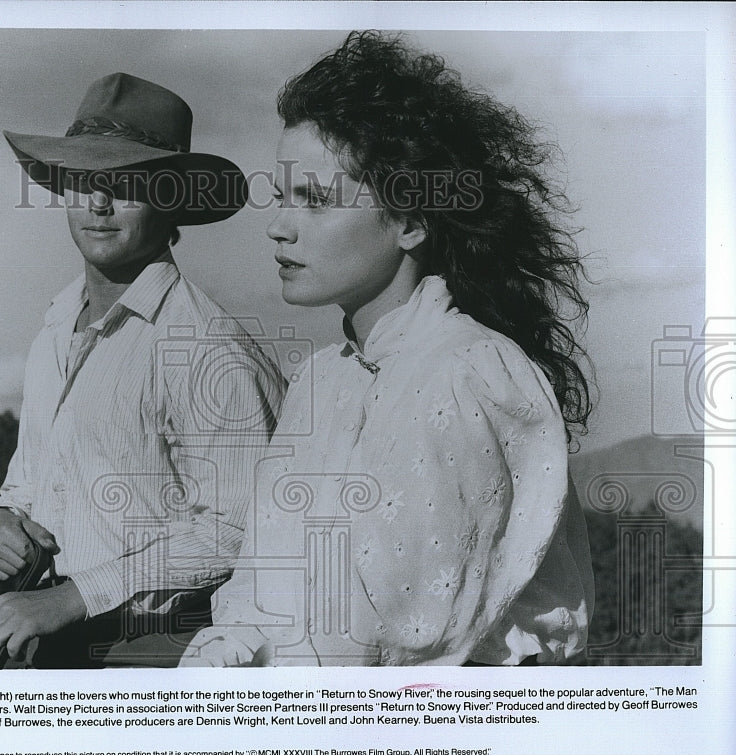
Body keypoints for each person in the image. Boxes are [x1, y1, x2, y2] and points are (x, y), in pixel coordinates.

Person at [182, 31, 596, 667]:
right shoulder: (321, 380)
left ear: (411, 221)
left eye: (315, 200)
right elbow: (264, 589)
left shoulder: (470, 373)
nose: (278, 225)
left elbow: (422, 638)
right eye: (281, 195)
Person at [0, 73, 285, 668]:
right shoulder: (55, 328)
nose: (98, 205)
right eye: (84, 181)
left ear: (174, 202)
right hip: (46, 641)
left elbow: (238, 529)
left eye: (127, 185)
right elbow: (29, 481)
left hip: (159, 654)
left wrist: (74, 597)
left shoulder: (205, 346)